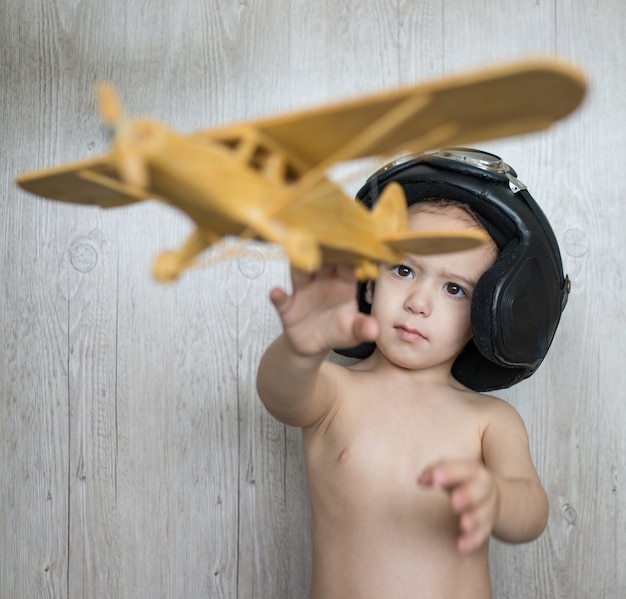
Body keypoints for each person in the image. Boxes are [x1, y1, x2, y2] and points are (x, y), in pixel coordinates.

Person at [256, 148, 569, 598]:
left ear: (490, 313)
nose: (418, 302)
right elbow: (280, 395)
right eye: (403, 269)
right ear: (368, 278)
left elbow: (532, 512)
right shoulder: (338, 393)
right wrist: (302, 349)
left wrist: (495, 497)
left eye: (454, 289)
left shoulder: (488, 420)